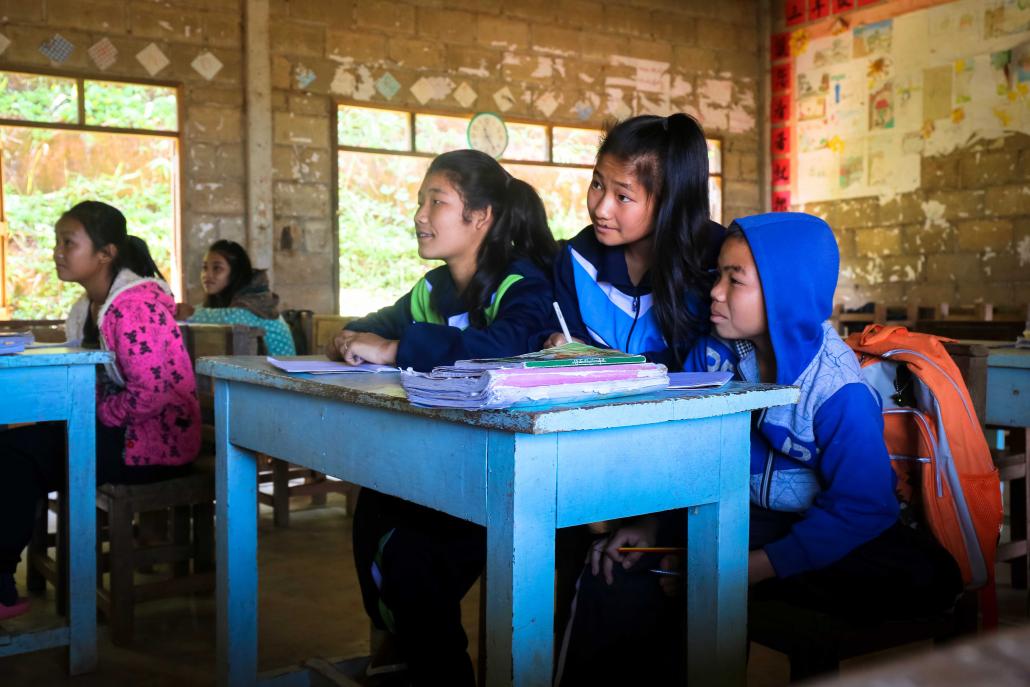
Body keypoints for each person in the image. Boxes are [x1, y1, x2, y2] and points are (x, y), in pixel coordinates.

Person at [556, 213, 963, 685]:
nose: (715, 292)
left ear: (783, 294)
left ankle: (723, 572)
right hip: (745, 519)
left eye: (736, 280)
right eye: (718, 276)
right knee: (621, 567)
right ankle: (704, 572)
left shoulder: (836, 390)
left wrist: (744, 570)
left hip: (817, 527)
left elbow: (863, 507)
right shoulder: (712, 357)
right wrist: (651, 527)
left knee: (929, 575)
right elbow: (689, 459)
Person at [327, 149, 558, 686]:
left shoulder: (521, 285)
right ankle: (413, 653)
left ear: (481, 217)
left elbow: (505, 347)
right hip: (437, 463)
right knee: (374, 516)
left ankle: (442, 670)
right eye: (419, 202)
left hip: (501, 476)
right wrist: (352, 338)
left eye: (438, 202)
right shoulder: (432, 290)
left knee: (413, 565)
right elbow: (377, 322)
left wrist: (391, 349)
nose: (421, 216)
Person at [0, 201, 200, 620]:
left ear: (105, 253)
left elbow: (153, 392)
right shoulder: (88, 308)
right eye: (58, 242)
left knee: (18, 456)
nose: (57, 251)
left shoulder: (134, 308)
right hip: (120, 432)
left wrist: (91, 418)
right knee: (14, 446)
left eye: (68, 243)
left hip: (155, 442)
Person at [540, 113, 725, 370]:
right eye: (597, 184)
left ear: (668, 202)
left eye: (623, 197)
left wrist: (623, 364)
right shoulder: (577, 259)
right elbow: (564, 335)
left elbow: (711, 360)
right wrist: (558, 342)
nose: (601, 209)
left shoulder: (717, 260)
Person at [176, 239, 296, 355]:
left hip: (280, 374)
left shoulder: (254, 302)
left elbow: (231, 316)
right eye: (205, 268)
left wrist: (191, 313)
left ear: (235, 273)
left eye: (217, 268)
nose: (207, 275)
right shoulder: (225, 301)